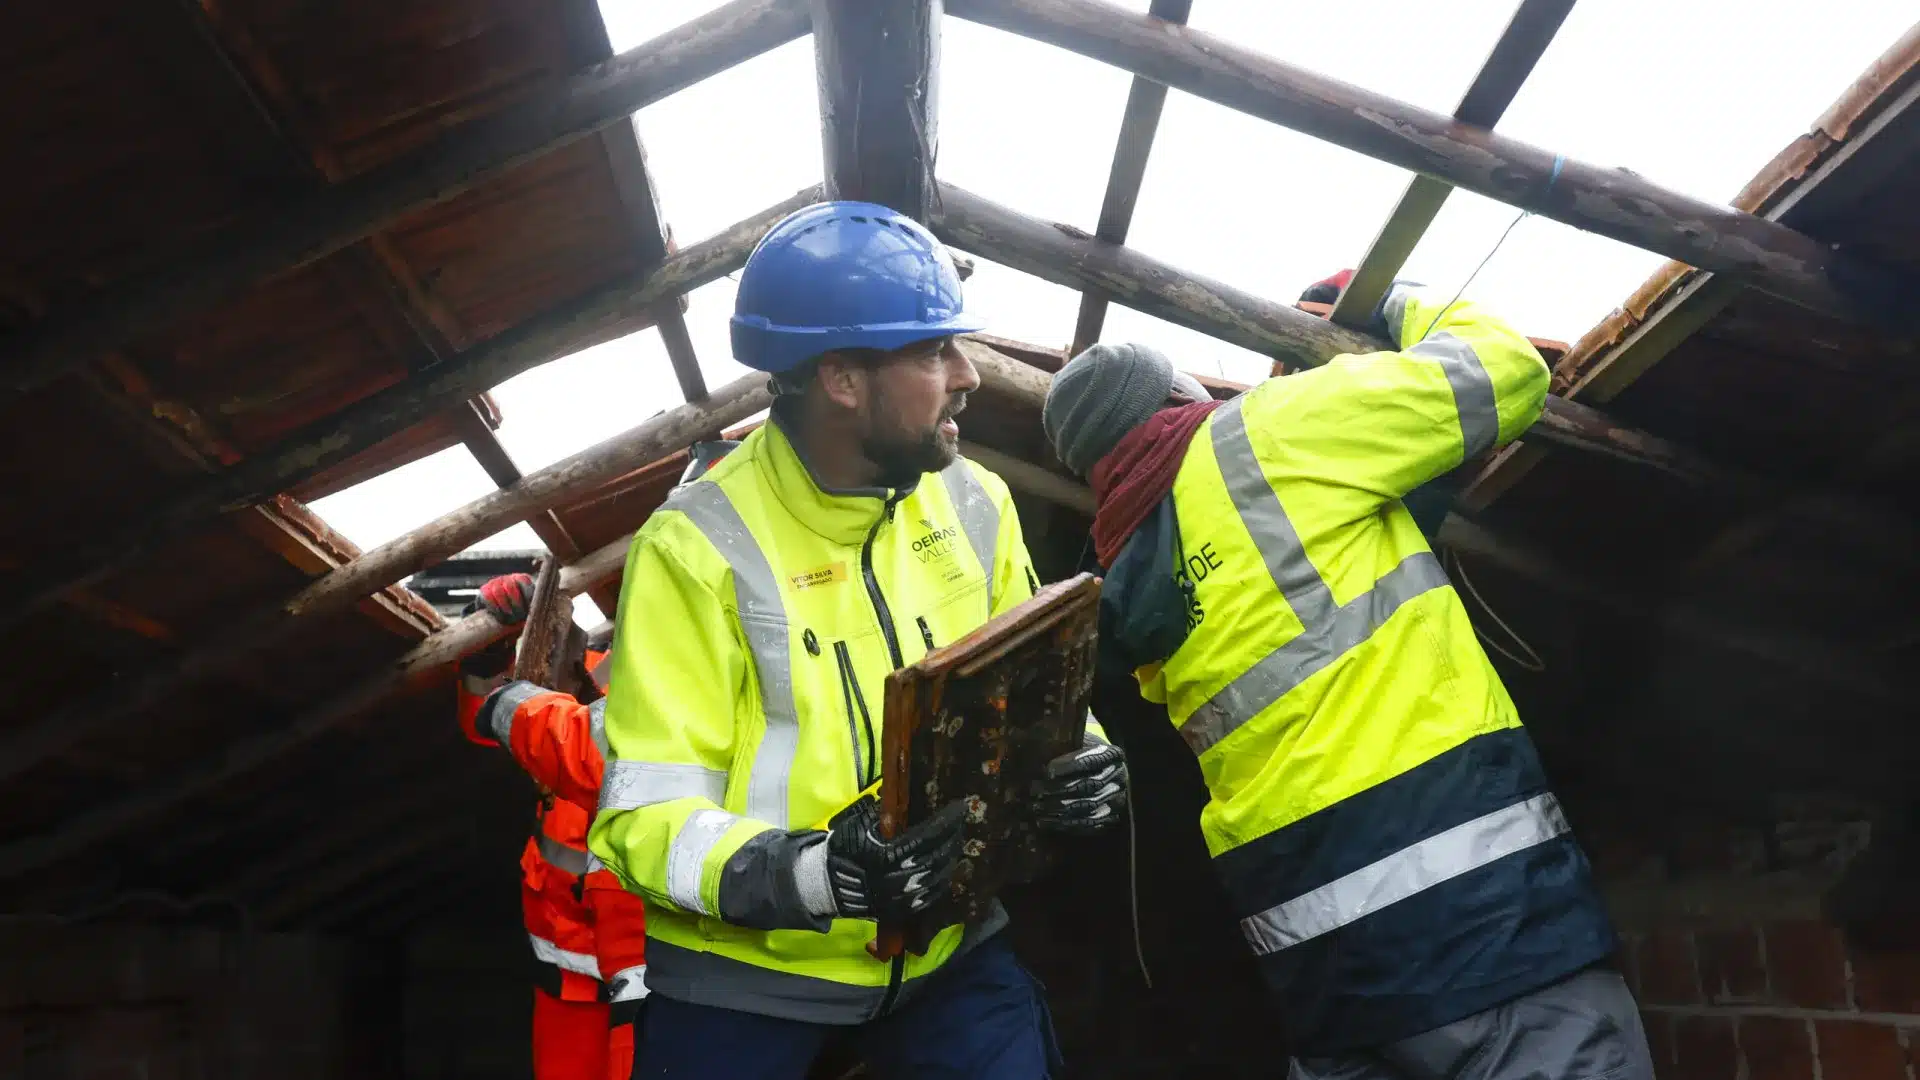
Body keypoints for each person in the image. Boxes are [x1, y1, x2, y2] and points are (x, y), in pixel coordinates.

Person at [1041, 275, 1650, 1080]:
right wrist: (1399, 300)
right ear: (1181, 394)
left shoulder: (1126, 573)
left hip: (1320, 971)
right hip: (1477, 920)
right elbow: (1504, 368)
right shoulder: (1263, 435)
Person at [587, 201, 1128, 1080]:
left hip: (948, 954)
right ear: (840, 379)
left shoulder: (974, 501)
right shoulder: (693, 551)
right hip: (744, 981)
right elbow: (645, 819)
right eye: (933, 351)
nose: (970, 375)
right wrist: (817, 876)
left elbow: (1037, 685)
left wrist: (1085, 758)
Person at [458, 574, 647, 1080]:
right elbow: (488, 711)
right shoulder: (579, 669)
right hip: (568, 966)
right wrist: (487, 645)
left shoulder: (722, 690)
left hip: (659, 966)